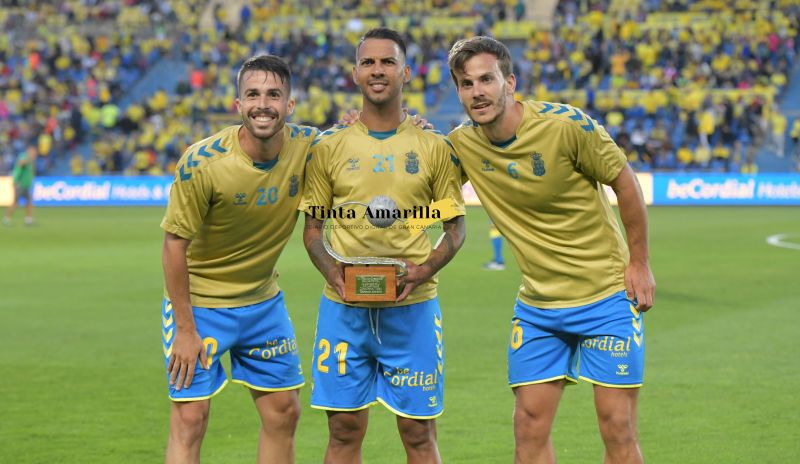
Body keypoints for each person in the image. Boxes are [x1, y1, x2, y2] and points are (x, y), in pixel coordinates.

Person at [446, 36, 655, 464]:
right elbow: (416, 172)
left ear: (510, 83)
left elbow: (625, 182)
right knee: (528, 427)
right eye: (467, 84)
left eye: (487, 80)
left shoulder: (566, 126)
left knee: (617, 428)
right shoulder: (462, 144)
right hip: (539, 306)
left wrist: (639, 262)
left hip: (606, 296)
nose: (477, 92)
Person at [300, 28, 466, 464]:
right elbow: (313, 231)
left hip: (413, 310)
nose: (378, 70)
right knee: (342, 431)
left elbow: (454, 227)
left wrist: (423, 270)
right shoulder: (329, 146)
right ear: (355, 73)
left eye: (388, 62)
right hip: (343, 311)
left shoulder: (433, 146)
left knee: (418, 433)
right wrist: (332, 272)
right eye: (368, 62)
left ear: (406, 73)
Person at [160, 54, 316, 464]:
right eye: (253, 95)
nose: (263, 104)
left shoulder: (309, 146)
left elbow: (355, 141)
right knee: (190, 418)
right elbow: (173, 245)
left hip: (263, 303)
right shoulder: (202, 162)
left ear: (289, 105)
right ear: (238, 104)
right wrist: (185, 329)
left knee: (284, 412)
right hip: (201, 305)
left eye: (273, 95)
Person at [3, 145, 37, 226]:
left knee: (29, 202)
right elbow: (20, 163)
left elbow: (31, 172)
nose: (34, 153)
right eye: (33, 151)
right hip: (19, 184)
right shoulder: (24, 156)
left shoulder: (30, 160)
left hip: (26, 185)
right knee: (15, 203)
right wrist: (29, 159)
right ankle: (7, 219)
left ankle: (28, 220)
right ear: (29, 150)